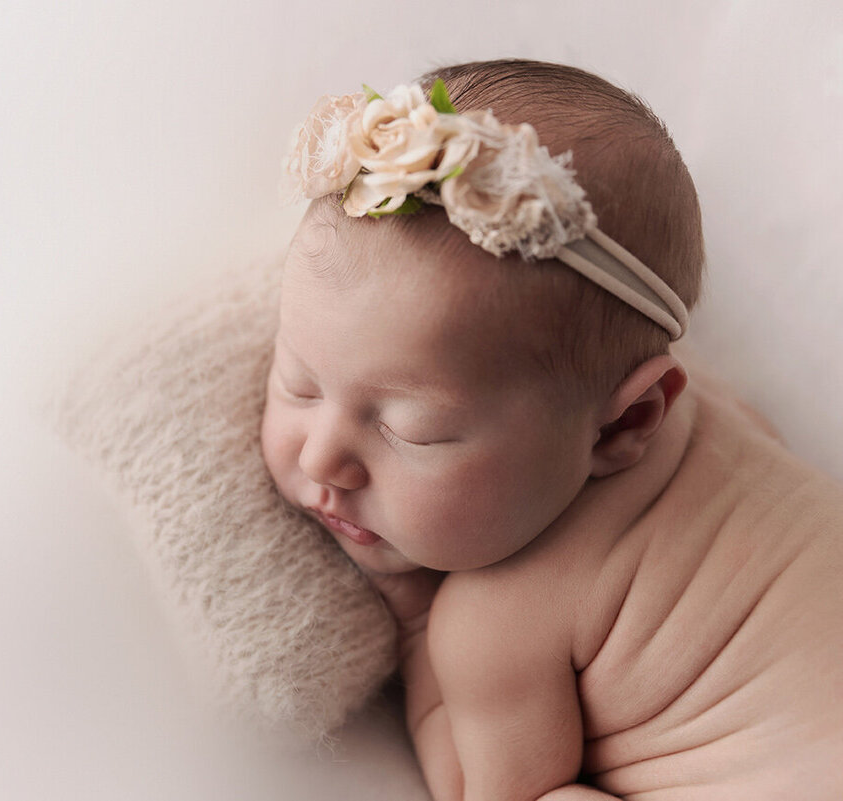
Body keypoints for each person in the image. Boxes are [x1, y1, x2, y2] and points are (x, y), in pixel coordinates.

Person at [261, 59, 843, 800]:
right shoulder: (725, 417)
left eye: (415, 431)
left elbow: (490, 789)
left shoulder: (491, 621)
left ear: (624, 424)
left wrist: (415, 626)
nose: (322, 455)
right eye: (297, 382)